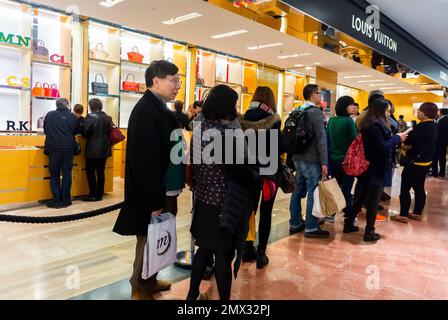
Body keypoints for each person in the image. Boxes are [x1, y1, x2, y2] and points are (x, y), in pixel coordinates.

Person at [113, 60, 182, 300]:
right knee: (147, 238)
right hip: (150, 192)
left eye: (179, 80)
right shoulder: (146, 110)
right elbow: (143, 160)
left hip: (162, 189)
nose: (178, 85)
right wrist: (155, 198)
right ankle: (139, 287)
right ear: (156, 81)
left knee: (157, 237)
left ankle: (149, 280)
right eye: (174, 80)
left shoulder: (159, 108)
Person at [187, 85, 254, 300]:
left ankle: (191, 295)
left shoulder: (200, 130)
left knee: (204, 250)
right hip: (223, 204)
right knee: (223, 256)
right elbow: (240, 171)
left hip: (203, 200)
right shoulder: (224, 136)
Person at [344, 99, 407, 242]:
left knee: (361, 198)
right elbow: (383, 147)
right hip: (376, 168)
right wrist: (397, 138)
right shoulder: (376, 126)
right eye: (387, 111)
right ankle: (369, 232)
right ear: (380, 111)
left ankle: (349, 224)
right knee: (373, 201)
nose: (388, 114)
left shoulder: (368, 123)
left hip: (367, 167)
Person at [239, 86, 284, 269]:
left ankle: (247, 248)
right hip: (269, 175)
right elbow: (280, 148)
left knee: (249, 211)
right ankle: (261, 253)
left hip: (248, 174)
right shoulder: (273, 120)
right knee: (266, 212)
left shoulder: (243, 118)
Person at [289, 84, 329, 238]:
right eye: (320, 93)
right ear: (313, 95)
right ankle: (311, 227)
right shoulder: (316, 113)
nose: (321, 96)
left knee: (297, 191)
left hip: (297, 157)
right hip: (312, 159)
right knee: (313, 191)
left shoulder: (297, 110)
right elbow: (321, 139)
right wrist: (324, 162)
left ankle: (295, 223)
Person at [392, 103, 438, 223]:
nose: (418, 112)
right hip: (426, 162)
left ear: (425, 113)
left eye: (419, 110)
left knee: (405, 188)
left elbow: (407, 145)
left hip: (414, 163)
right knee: (419, 188)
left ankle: (403, 215)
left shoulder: (420, 127)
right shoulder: (434, 125)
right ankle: (417, 213)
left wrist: (402, 144)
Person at [43, 98, 80, 209]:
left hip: (53, 149)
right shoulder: (72, 116)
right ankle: (66, 201)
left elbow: (45, 130)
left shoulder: (49, 115)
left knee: (54, 175)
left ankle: (56, 201)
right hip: (68, 149)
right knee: (67, 175)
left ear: (56, 105)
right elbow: (77, 131)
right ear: (67, 105)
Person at [327, 96, 358, 221]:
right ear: (345, 107)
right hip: (346, 160)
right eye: (350, 105)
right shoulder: (349, 121)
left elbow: (328, 138)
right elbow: (354, 140)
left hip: (333, 159)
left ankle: (331, 214)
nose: (353, 107)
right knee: (346, 188)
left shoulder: (331, 120)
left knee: (335, 186)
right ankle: (349, 214)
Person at [81, 98, 113, 202]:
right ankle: (99, 194)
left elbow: (85, 133)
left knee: (90, 172)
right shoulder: (108, 117)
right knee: (100, 172)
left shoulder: (90, 117)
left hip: (92, 149)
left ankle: (93, 194)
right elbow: (110, 131)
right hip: (104, 148)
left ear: (91, 107)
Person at [432, 108, 448, 177]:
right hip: (444, 141)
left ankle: (435, 172)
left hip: (439, 142)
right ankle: (442, 172)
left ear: (441, 112)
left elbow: (438, 132)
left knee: (435, 157)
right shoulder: (446, 119)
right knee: (442, 157)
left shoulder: (442, 120)